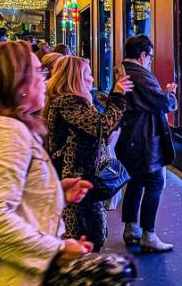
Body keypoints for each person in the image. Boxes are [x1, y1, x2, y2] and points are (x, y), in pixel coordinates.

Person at [0, 42, 94, 285]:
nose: (45, 79)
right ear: (16, 83)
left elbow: (11, 193)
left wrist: (55, 190)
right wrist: (55, 250)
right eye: (37, 72)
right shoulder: (3, 131)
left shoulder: (4, 126)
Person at [44, 56, 133, 252]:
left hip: (81, 179)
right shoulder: (68, 102)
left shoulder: (73, 102)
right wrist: (118, 96)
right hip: (76, 181)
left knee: (89, 233)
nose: (92, 79)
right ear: (75, 78)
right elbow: (99, 126)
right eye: (88, 75)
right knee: (83, 235)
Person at [117, 35, 177, 252]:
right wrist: (170, 94)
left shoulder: (123, 70)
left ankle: (131, 228)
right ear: (142, 55)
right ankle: (148, 235)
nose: (150, 61)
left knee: (135, 181)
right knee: (155, 182)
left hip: (130, 137)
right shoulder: (141, 75)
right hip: (144, 139)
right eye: (149, 57)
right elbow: (161, 103)